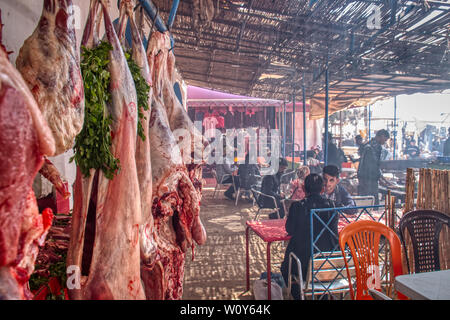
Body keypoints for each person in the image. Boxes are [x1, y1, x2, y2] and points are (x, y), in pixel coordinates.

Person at [280, 174, 337, 300]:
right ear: (322, 189)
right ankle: (323, 296)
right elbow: (333, 233)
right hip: (327, 264)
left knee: (285, 268)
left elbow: (289, 229)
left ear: (304, 189)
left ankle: (299, 296)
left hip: (303, 265)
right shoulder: (331, 206)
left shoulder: (297, 206)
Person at [357, 129, 390, 205]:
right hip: (368, 178)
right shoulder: (373, 147)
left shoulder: (369, 144)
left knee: (366, 200)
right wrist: (381, 179)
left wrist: (383, 179)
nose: (384, 142)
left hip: (365, 177)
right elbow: (373, 166)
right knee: (371, 201)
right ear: (381, 136)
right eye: (385, 140)